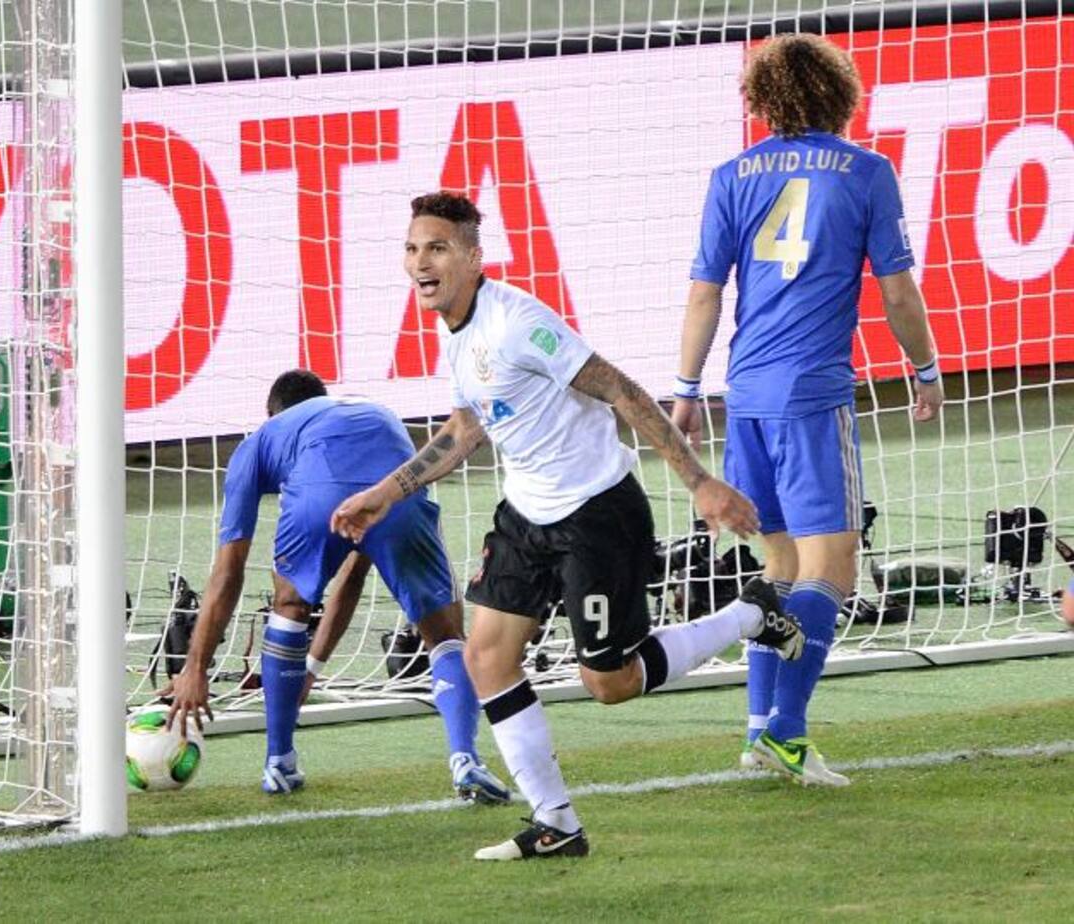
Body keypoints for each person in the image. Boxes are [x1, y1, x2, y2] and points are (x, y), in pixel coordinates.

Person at [331, 192, 806, 861]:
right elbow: (467, 427)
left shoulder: (518, 322)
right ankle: (557, 823)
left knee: (608, 683)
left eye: (436, 248)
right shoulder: (457, 334)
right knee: (486, 657)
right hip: (525, 515)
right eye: (412, 249)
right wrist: (385, 492)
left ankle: (752, 615)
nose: (420, 263)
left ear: (472, 256)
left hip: (596, 513)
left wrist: (699, 480)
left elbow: (619, 389)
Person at [673, 34, 944, 786]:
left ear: (763, 100)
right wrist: (923, 369)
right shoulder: (866, 172)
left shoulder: (733, 175)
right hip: (813, 395)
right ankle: (788, 732)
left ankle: (758, 730)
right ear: (838, 92)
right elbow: (896, 290)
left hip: (746, 392)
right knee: (834, 570)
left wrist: (688, 391)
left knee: (780, 568)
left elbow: (705, 292)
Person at [164, 369, 510, 805]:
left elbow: (227, 573)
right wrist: (312, 666)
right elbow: (354, 572)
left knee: (288, 607)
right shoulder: (366, 412)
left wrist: (196, 668)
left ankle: (279, 762)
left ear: (270, 414)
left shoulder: (260, 442)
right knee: (443, 636)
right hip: (399, 483)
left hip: (315, 494)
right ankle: (465, 759)